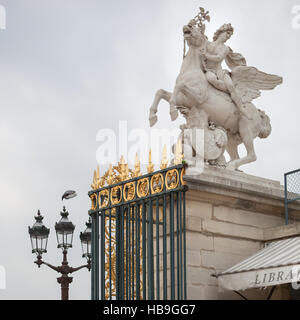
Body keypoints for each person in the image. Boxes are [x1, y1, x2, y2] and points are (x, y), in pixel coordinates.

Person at [202, 23, 250, 119]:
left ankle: (241, 107)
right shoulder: (208, 44)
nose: (228, 37)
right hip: (209, 71)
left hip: (220, 72)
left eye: (230, 35)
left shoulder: (225, 48)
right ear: (221, 32)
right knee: (212, 80)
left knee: (231, 86)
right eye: (227, 33)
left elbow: (219, 58)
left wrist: (206, 55)